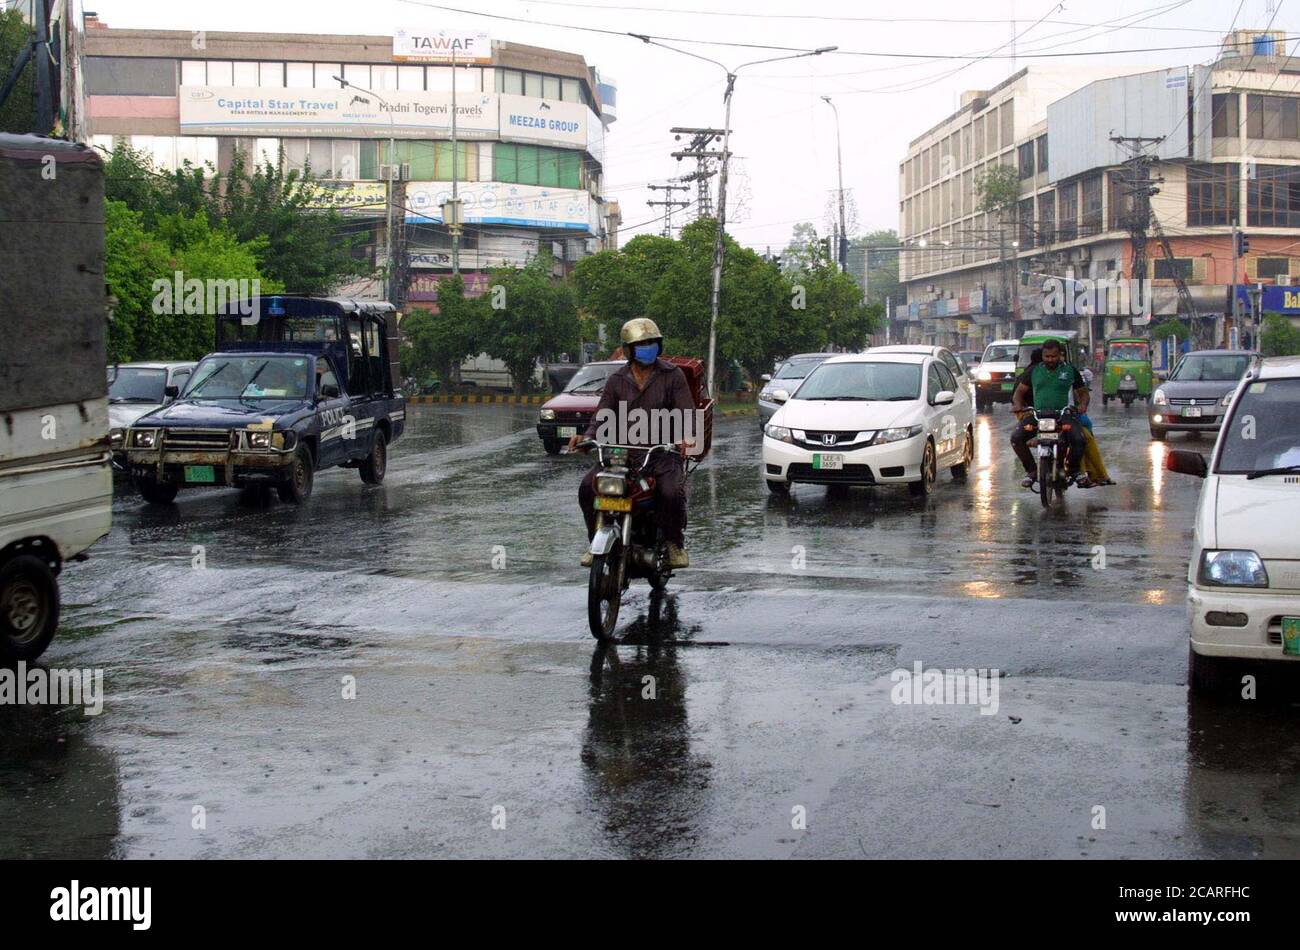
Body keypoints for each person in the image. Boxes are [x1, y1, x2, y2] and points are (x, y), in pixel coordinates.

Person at [569, 318, 696, 569]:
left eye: (651, 343)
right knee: (587, 488)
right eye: (641, 344)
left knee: (670, 492)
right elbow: (602, 415)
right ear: (628, 349)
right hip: (622, 453)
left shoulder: (673, 375)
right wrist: (587, 437)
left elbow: (687, 414)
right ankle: (595, 539)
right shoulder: (617, 380)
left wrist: (685, 437)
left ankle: (673, 544)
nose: (647, 347)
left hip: (661, 452)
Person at [1010, 339, 1090, 489]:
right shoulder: (1033, 371)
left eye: (1053, 356)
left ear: (1060, 355)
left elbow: (1083, 393)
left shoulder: (1070, 371)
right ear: (1042, 356)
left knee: (1080, 439)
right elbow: (1019, 392)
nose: (1050, 360)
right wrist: (1018, 404)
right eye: (1047, 357)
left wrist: (1083, 404)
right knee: (1016, 438)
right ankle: (1032, 471)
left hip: (1063, 415)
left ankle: (1073, 470)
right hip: (1037, 415)